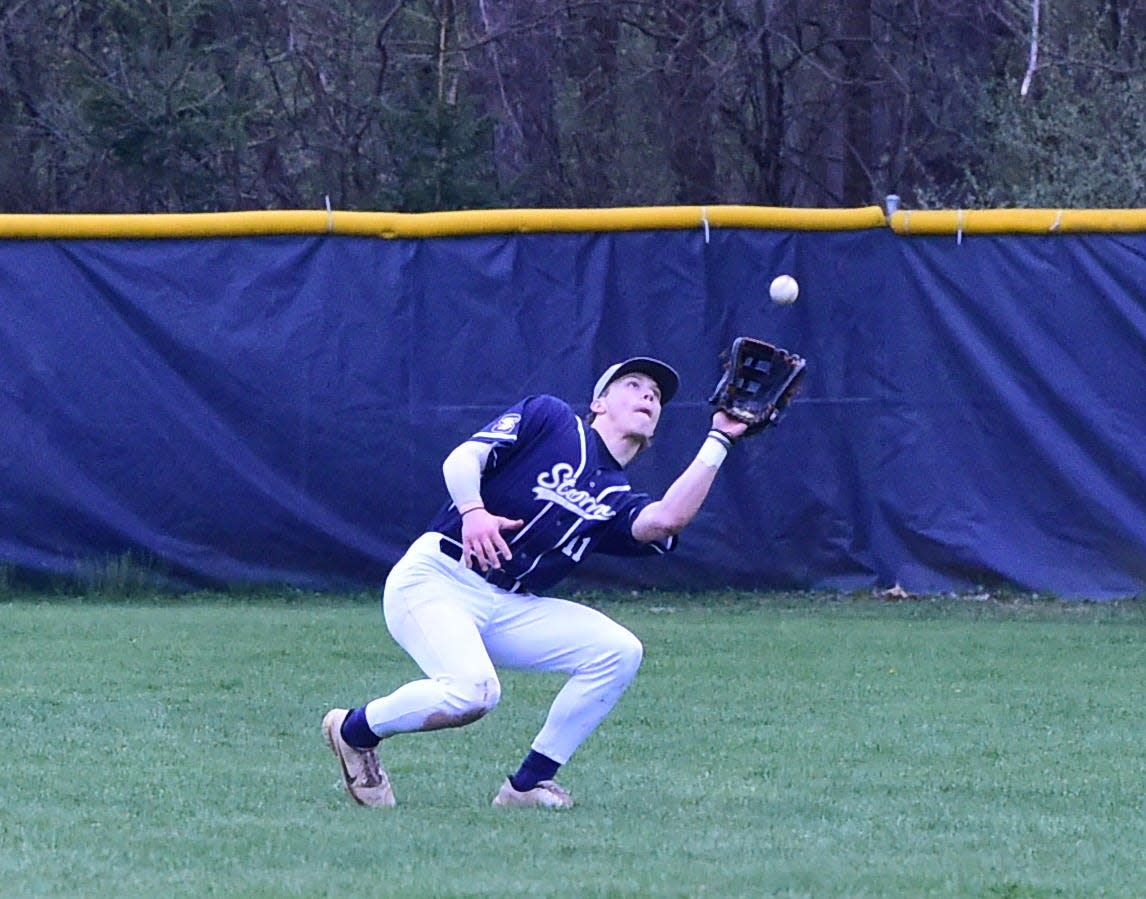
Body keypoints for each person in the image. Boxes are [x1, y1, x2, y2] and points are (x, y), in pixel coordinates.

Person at [322, 356, 750, 809]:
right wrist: (473, 510)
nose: (648, 395)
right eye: (633, 384)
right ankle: (353, 732)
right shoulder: (551, 419)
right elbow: (463, 457)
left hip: (509, 604)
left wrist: (719, 437)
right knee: (474, 693)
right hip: (437, 579)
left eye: (655, 395)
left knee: (618, 651)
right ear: (599, 403)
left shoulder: (617, 500)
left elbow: (667, 519)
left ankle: (526, 786)